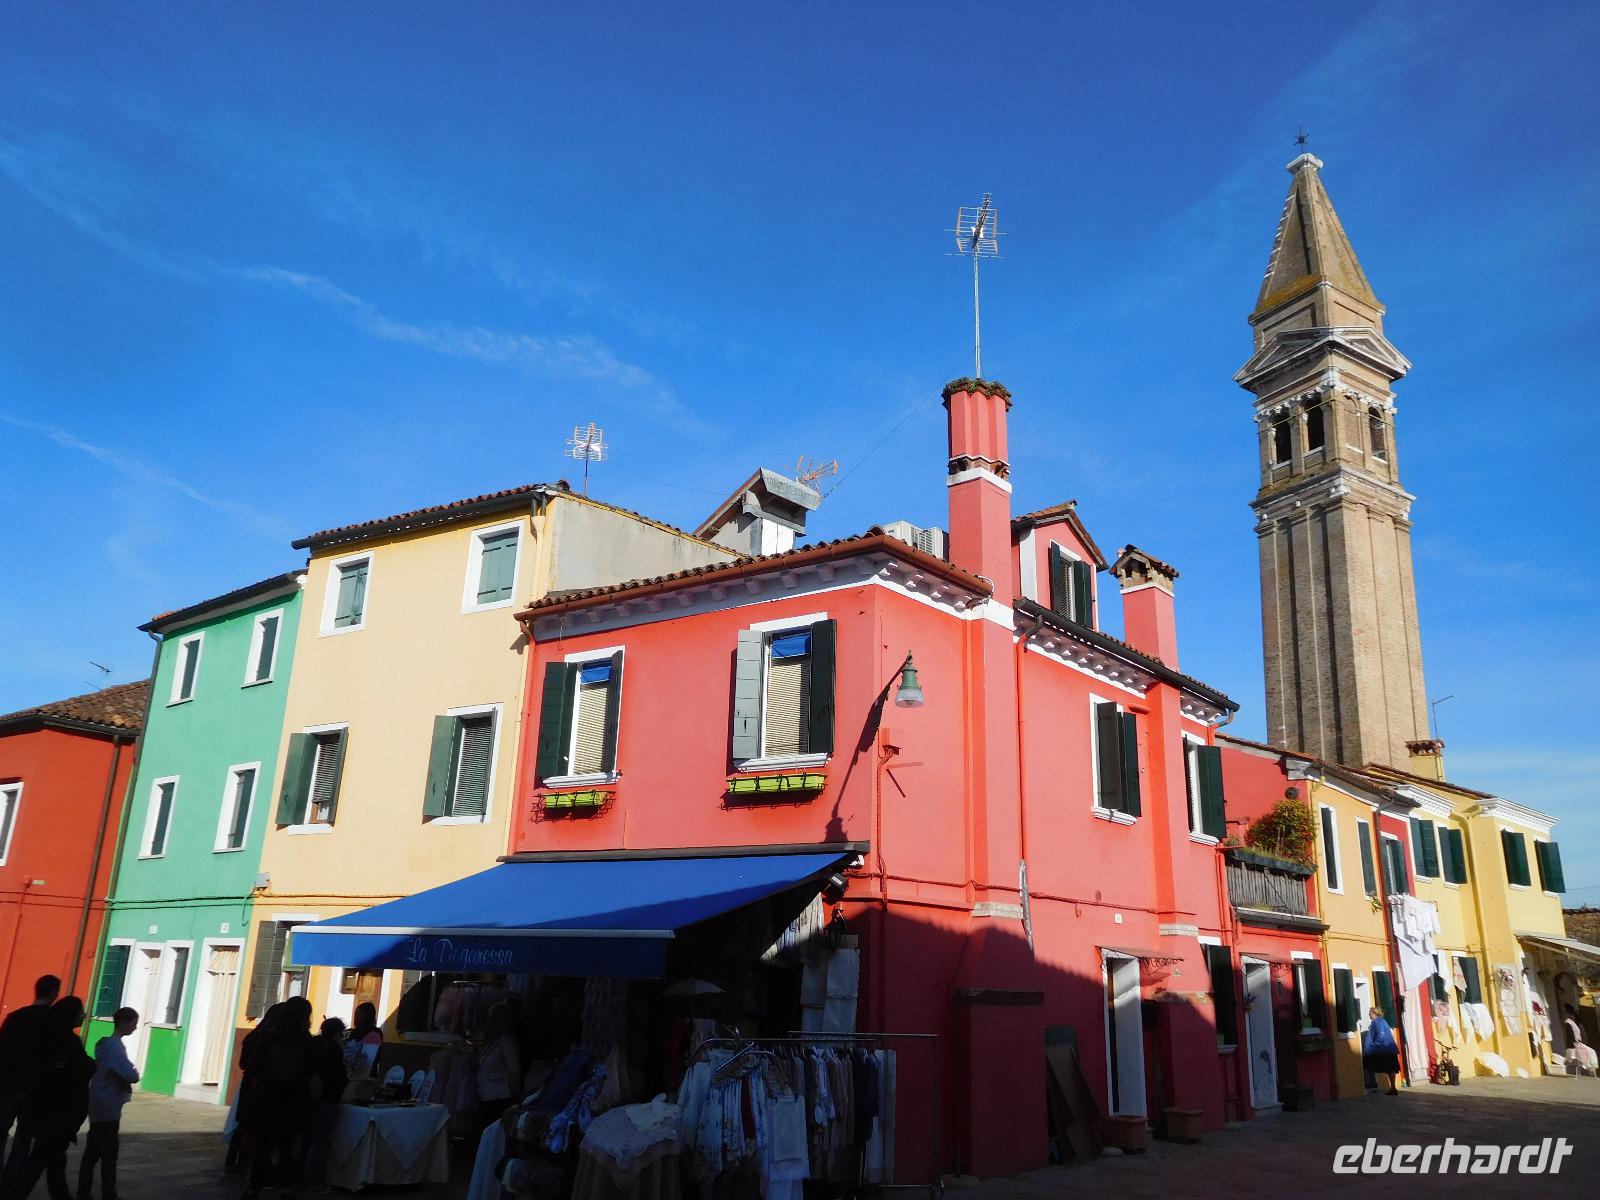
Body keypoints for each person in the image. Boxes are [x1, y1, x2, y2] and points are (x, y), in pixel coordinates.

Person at [2, 997, 94, 1200]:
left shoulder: (49, 1040)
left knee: (54, 1164)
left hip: (48, 1113)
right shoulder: (67, 1044)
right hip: (57, 1116)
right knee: (38, 1162)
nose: (84, 1015)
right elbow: (77, 1073)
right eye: (80, 1011)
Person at [241, 997, 315, 1200]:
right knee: (287, 1146)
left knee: (262, 1146)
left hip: (266, 1097)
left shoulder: (267, 1037)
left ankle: (254, 1187)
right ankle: (286, 1187)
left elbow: (253, 1065)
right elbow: (310, 1071)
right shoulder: (306, 1040)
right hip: (293, 1100)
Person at [0, 976, 62, 1180]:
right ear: (53, 992)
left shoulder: (15, 1017)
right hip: (35, 1090)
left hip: (8, 1084)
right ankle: (10, 1182)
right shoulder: (54, 1021)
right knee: (24, 1139)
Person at [78, 1008, 139, 1200]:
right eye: (133, 1023)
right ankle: (108, 1193)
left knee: (93, 1151)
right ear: (124, 1023)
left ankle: (84, 1191)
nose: (135, 1028)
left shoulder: (105, 1045)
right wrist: (133, 1071)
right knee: (109, 1154)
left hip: (99, 1103)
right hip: (108, 1106)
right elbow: (130, 1075)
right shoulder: (115, 1048)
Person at [304, 1018, 348, 1191]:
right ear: (338, 1034)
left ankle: (300, 1178)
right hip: (326, 1099)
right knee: (321, 1142)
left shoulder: (314, 1044)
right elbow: (338, 1077)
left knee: (307, 1139)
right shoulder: (334, 1049)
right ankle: (316, 1181)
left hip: (309, 1098)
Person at [474, 1003, 521, 1132]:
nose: (489, 1021)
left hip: (500, 1095)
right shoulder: (491, 1040)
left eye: (493, 1017)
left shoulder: (507, 1040)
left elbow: (514, 1069)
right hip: (486, 1093)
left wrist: (513, 1091)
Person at [1362, 1006, 1402, 1096]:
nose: (1369, 1014)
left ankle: (1371, 1083)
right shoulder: (1382, 1021)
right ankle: (1393, 1087)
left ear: (1374, 1013)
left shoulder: (1377, 1022)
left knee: (1368, 1065)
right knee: (1390, 1069)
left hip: (1382, 1049)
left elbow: (1381, 1035)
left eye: (1370, 1012)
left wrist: (1373, 1046)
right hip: (1389, 1049)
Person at [345, 1005, 382, 1075]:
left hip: (366, 1072)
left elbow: (368, 1058)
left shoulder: (375, 1033)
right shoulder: (355, 1031)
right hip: (352, 1071)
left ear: (368, 1016)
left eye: (360, 1014)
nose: (357, 1017)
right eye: (356, 1014)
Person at [1563, 1005, 1598, 1075]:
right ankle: (1588, 1067)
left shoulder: (1573, 1023)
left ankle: (1590, 1068)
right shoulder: (1568, 1023)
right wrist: (1572, 1045)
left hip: (1578, 1043)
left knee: (1591, 1051)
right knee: (1589, 1052)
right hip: (1574, 1044)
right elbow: (1570, 1036)